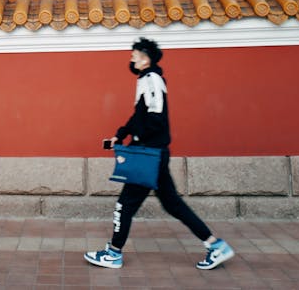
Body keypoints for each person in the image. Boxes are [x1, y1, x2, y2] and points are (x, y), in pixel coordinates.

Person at [84, 38, 235, 270]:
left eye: (134, 54)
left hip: (149, 155)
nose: (131, 58)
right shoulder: (146, 78)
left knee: (124, 205)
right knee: (172, 204)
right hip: (154, 153)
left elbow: (156, 117)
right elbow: (140, 115)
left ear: (145, 58)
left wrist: (136, 141)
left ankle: (113, 253)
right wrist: (121, 134)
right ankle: (216, 245)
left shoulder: (151, 79)